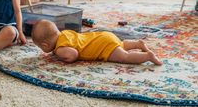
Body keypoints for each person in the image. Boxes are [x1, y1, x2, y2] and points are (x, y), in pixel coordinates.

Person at [32, 20, 163, 66]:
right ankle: (138, 44)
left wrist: (60, 55)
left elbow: (73, 55)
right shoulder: (65, 33)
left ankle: (147, 56)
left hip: (102, 47)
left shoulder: (60, 48)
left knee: (124, 57)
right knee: (120, 44)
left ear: (45, 45)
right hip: (103, 36)